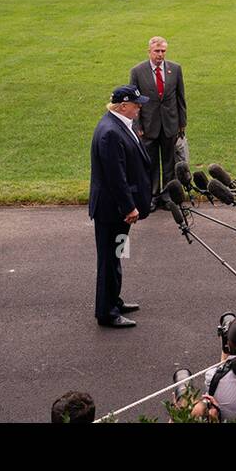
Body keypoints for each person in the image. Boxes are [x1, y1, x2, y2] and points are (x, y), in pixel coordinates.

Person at [89, 85, 153, 328]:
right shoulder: (111, 133)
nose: (140, 107)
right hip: (113, 211)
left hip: (114, 210)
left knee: (115, 256)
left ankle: (113, 300)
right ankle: (107, 313)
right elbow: (115, 177)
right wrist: (129, 207)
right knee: (108, 260)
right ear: (123, 106)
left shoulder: (118, 125)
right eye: (137, 104)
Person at [129, 36, 187, 195]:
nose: (160, 54)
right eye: (157, 51)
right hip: (148, 126)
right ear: (149, 51)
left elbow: (180, 98)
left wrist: (182, 123)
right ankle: (153, 195)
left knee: (170, 163)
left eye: (163, 51)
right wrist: (137, 125)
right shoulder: (137, 71)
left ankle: (168, 196)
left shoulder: (175, 69)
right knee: (151, 163)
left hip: (170, 125)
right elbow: (134, 102)